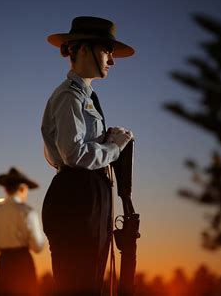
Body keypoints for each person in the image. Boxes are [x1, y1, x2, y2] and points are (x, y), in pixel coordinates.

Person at [41, 16, 135, 295]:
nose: (112, 60)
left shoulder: (84, 96)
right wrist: (114, 148)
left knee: (92, 282)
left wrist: (106, 140)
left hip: (86, 193)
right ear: (82, 50)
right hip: (77, 197)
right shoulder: (69, 96)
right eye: (107, 50)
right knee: (80, 284)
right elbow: (73, 154)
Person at [0, 167, 45, 296]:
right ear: (22, 189)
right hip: (22, 263)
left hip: (3, 264)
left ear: (5, 189)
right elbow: (37, 246)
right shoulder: (27, 212)